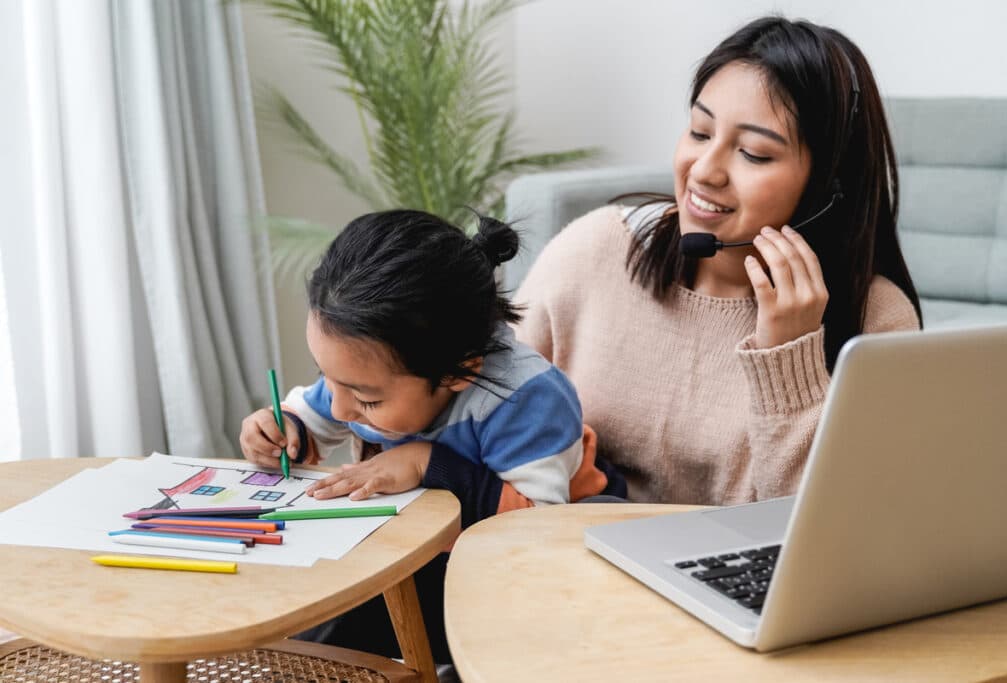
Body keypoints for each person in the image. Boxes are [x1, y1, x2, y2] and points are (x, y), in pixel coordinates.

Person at [513, 16, 922, 507]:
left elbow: (835, 534)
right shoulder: (595, 249)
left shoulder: (877, 318)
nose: (704, 171)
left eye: (752, 153)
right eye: (700, 132)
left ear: (826, 191)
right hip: (558, 562)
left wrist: (789, 356)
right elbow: (476, 402)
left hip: (743, 579)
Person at [239, 208, 622, 662]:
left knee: (351, 625)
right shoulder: (368, 374)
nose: (341, 408)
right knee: (312, 622)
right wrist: (284, 430)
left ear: (458, 372)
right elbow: (315, 415)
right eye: (328, 377)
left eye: (366, 401)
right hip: (434, 551)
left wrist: (427, 462)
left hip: (548, 559)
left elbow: (532, 527)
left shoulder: (526, 399)